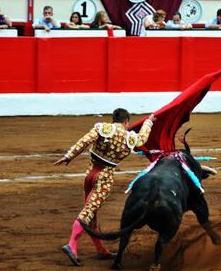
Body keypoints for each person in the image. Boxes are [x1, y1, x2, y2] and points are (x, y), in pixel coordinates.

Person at [55, 109, 156, 266]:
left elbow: (84, 141)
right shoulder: (129, 137)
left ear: (113, 119)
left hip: (89, 175)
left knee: (92, 212)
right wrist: (149, 121)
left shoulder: (103, 128)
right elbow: (142, 139)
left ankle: (100, 250)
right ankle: (72, 246)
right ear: (126, 122)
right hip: (104, 178)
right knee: (88, 212)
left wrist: (69, 156)